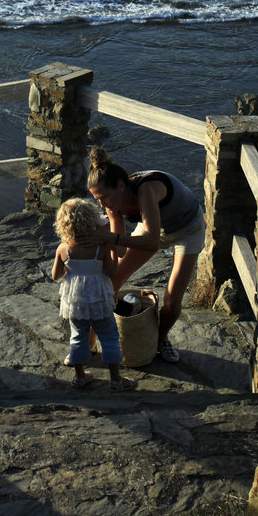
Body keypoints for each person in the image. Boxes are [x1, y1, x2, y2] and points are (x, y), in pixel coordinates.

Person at [82, 145, 205, 363]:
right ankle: (89, 343)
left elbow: (151, 242)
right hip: (153, 228)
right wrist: (102, 246)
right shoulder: (112, 202)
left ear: (121, 186)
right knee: (111, 282)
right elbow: (119, 250)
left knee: (172, 297)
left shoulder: (146, 189)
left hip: (188, 228)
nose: (101, 204)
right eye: (96, 199)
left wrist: (111, 239)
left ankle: (161, 338)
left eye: (103, 197)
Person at [52, 197, 136, 392]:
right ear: (92, 222)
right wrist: (113, 252)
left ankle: (80, 376)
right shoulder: (102, 249)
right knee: (109, 337)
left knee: (78, 337)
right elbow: (112, 273)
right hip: (99, 301)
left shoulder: (63, 249)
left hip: (76, 302)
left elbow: (56, 275)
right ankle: (115, 380)